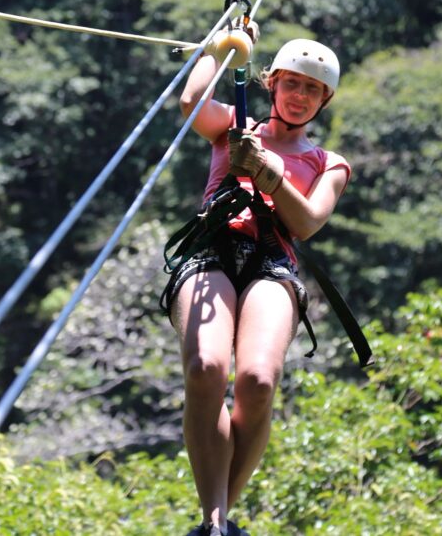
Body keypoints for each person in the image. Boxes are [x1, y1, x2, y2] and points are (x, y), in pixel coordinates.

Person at [162, 37, 351, 536]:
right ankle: (215, 521)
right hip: (213, 246)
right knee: (206, 367)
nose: (300, 96)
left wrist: (268, 173)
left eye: (312, 90)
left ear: (323, 100)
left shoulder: (329, 163)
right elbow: (190, 105)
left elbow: (308, 222)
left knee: (258, 381)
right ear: (272, 82)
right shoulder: (233, 125)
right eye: (292, 83)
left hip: (273, 258)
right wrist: (217, 48)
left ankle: (219, 520)